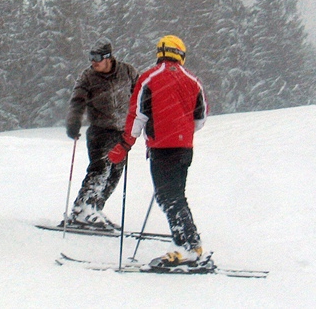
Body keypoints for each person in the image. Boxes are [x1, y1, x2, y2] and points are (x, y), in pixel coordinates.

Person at [108, 35, 208, 268]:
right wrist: (181, 130)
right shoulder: (193, 80)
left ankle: (188, 247)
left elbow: (137, 116)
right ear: (180, 54)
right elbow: (200, 119)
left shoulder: (149, 78)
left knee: (168, 197)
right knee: (175, 195)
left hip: (161, 147)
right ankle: (188, 244)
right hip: (184, 148)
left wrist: (125, 144)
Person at [62, 37, 139, 230]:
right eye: (91, 57)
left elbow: (140, 94)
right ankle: (81, 210)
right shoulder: (88, 76)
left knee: (115, 174)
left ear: (108, 57)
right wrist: (73, 123)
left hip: (122, 132)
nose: (93, 62)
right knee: (100, 170)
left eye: (97, 58)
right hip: (100, 131)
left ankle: (94, 209)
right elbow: (77, 101)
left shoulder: (127, 72)